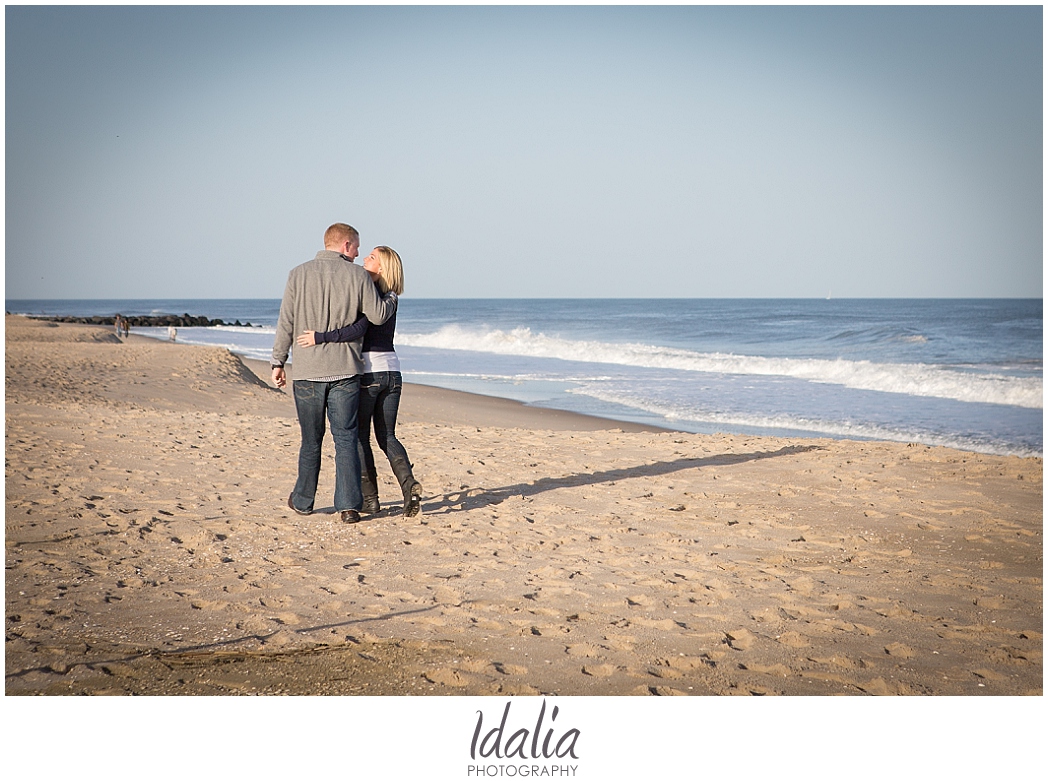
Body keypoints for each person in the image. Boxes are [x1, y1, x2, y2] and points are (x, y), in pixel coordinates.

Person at [272, 224, 399, 523]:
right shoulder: (357, 276)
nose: (357, 254)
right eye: (356, 247)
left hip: (306, 371)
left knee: (311, 440)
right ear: (344, 245)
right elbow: (378, 315)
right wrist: (392, 297)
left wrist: (278, 361)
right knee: (346, 439)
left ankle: (303, 501)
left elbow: (286, 322)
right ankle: (348, 507)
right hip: (345, 371)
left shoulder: (297, 273)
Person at [296, 246, 422, 517]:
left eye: (372, 257)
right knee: (387, 436)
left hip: (367, 374)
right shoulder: (391, 297)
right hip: (393, 373)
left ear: (382, 267)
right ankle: (408, 485)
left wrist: (321, 337)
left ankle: (370, 499)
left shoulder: (369, 293)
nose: (365, 258)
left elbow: (359, 329)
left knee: (359, 437)